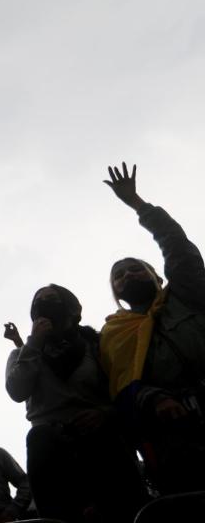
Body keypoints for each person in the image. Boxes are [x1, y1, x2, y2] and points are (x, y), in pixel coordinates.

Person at [100, 162, 205, 495]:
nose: (128, 276)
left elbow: (176, 244)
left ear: (157, 277)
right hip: (175, 432)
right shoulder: (114, 335)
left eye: (135, 269)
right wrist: (155, 399)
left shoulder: (186, 294)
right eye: (119, 276)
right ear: (116, 294)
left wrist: (137, 204)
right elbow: (122, 387)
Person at [6, 284, 148, 522]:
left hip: (102, 440)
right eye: (38, 301)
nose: (44, 303)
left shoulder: (97, 345)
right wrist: (33, 344)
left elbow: (120, 389)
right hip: (50, 448)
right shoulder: (23, 354)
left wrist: (105, 413)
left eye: (52, 299)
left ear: (71, 308)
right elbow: (17, 391)